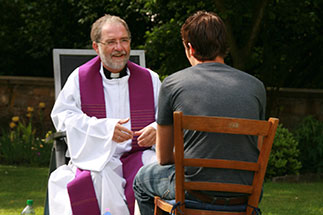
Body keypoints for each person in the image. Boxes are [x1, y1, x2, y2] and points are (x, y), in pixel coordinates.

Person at [133, 11, 266, 215]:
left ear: (190, 47)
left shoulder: (173, 84)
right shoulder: (256, 87)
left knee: (142, 180)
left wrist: (192, 158)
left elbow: (164, 157)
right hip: (246, 193)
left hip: (195, 191)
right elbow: (254, 153)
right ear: (225, 46)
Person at [48, 14, 161, 215]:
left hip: (139, 153)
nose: (119, 47)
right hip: (99, 155)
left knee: (156, 170)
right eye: (111, 42)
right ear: (96, 46)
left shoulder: (150, 79)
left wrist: (156, 129)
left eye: (124, 40)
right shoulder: (80, 78)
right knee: (98, 176)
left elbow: (166, 118)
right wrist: (104, 130)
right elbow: (62, 117)